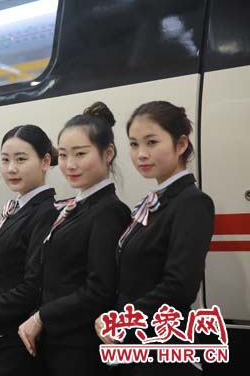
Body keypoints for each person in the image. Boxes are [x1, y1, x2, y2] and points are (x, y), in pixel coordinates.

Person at [95, 101, 215, 376]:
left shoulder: (192, 203)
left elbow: (180, 286)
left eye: (151, 142)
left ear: (181, 144)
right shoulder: (157, 202)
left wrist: (123, 320)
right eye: (134, 144)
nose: (141, 154)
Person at [18, 103, 130, 376]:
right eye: (64, 155)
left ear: (108, 153)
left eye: (80, 154)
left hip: (81, 346)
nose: (70, 165)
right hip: (59, 342)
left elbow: (99, 289)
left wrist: (41, 317)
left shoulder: (108, 210)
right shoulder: (77, 207)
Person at [0, 125, 60, 376]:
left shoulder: (46, 212)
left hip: (20, 338)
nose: (11, 169)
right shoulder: (17, 208)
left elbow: (33, 284)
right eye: (6, 160)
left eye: (21, 159)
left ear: (45, 161)